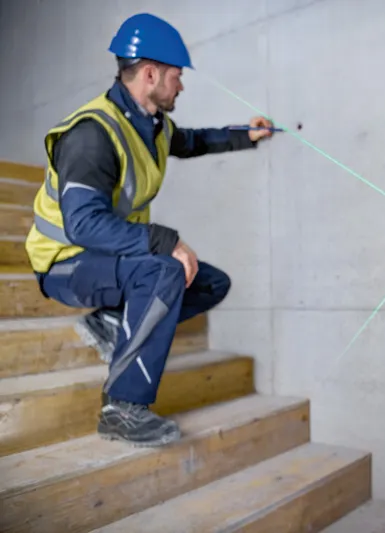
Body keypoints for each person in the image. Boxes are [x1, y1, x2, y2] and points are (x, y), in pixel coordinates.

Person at [24, 13, 274, 447]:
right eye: (176, 76)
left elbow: (193, 141)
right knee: (165, 271)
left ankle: (110, 321)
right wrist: (164, 239)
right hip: (64, 263)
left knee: (209, 282)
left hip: (110, 257)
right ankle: (122, 408)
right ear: (151, 73)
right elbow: (82, 224)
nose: (181, 85)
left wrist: (245, 135)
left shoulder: (152, 124)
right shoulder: (92, 135)